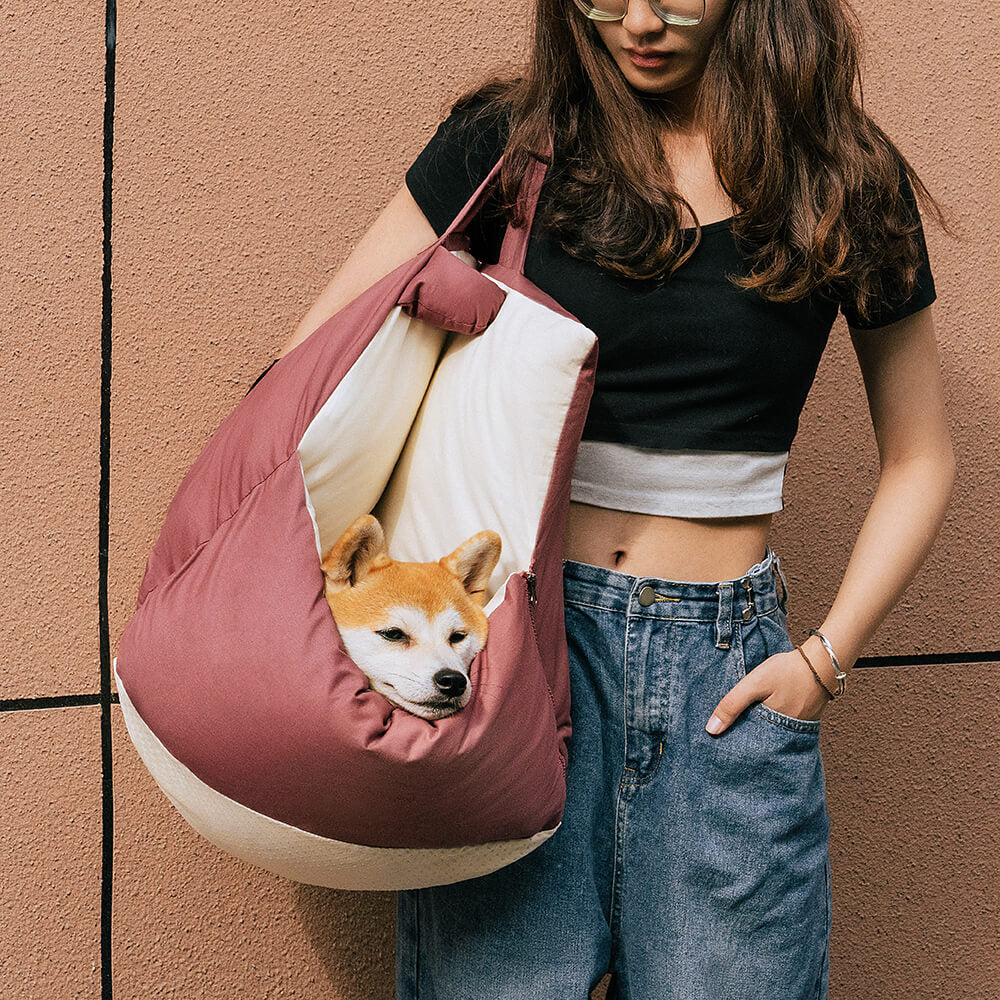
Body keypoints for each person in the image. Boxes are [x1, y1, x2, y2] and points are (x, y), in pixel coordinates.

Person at [277, 1, 955, 996]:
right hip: (518, 660)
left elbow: (921, 456)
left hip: (726, 680)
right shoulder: (511, 144)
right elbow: (304, 375)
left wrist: (822, 662)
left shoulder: (839, 174)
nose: (637, 20)